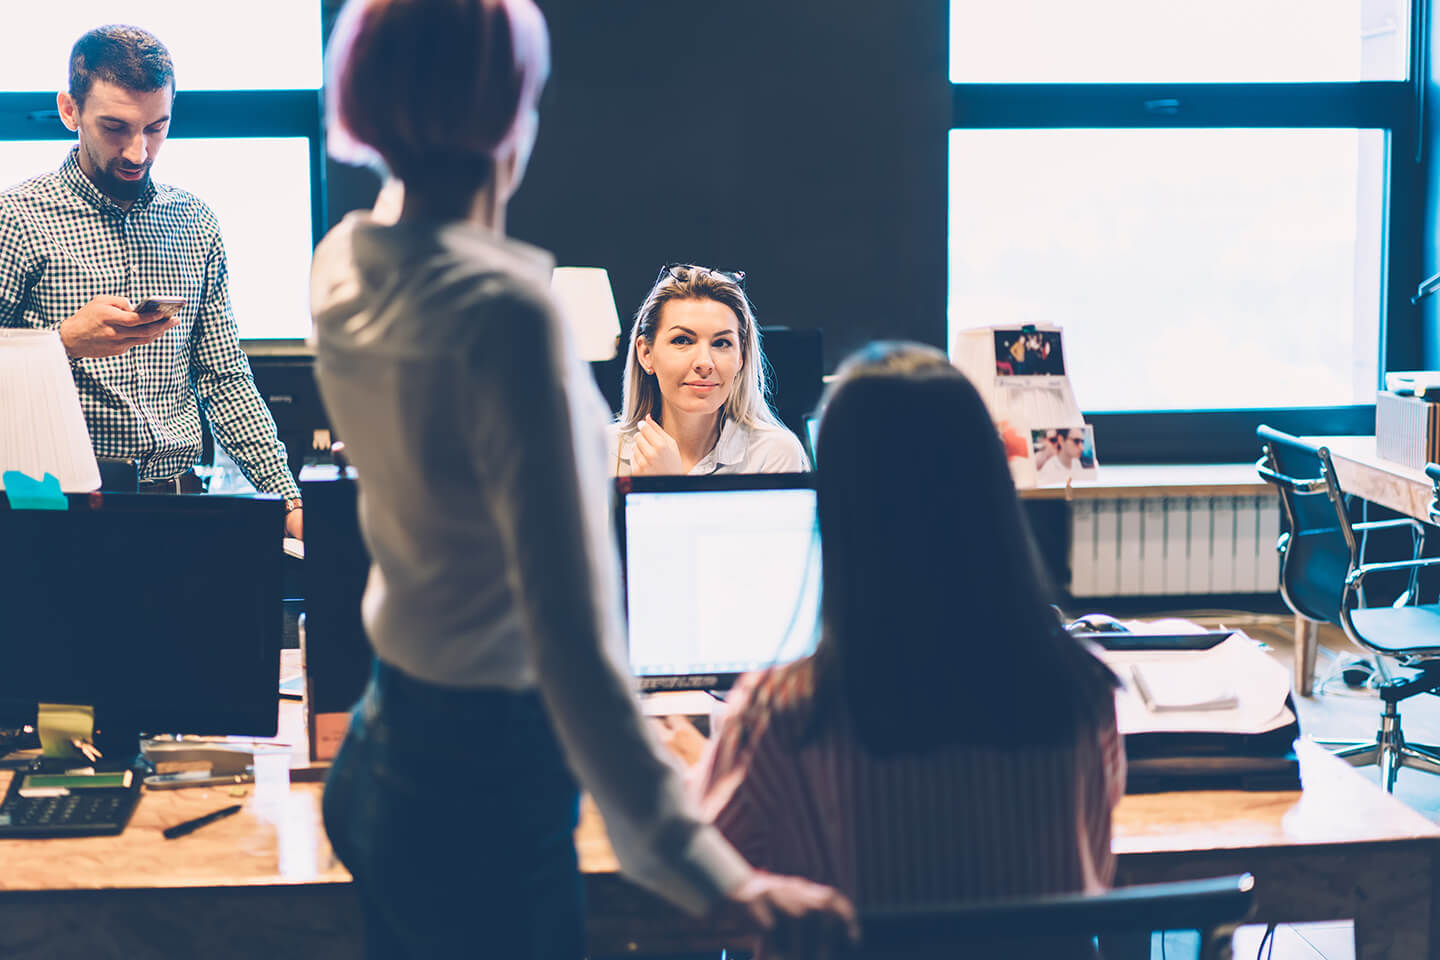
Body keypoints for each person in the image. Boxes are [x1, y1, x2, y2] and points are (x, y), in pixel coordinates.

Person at [310, 1, 855, 957]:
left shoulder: (343, 269)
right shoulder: (509, 318)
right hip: (483, 772)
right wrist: (720, 879)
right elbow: (574, 645)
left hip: (384, 734)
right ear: (511, 114)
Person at [691, 342, 1123, 932]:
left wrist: (701, 763)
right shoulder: (1083, 689)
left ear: (838, 505)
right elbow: (1089, 876)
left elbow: (707, 888)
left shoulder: (782, 712)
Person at [0, 25, 302, 536]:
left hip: (181, 509)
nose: (139, 152)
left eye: (156, 128)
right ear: (69, 110)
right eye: (115, 127)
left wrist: (289, 501)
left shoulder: (195, 222)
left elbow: (224, 376)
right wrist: (63, 344)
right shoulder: (17, 218)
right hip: (57, 517)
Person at [610, 265, 808, 475]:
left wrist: (669, 486)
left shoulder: (774, 454)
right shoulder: (599, 451)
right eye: (683, 340)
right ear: (646, 354)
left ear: (741, 356)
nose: (705, 363)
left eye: (721, 343)